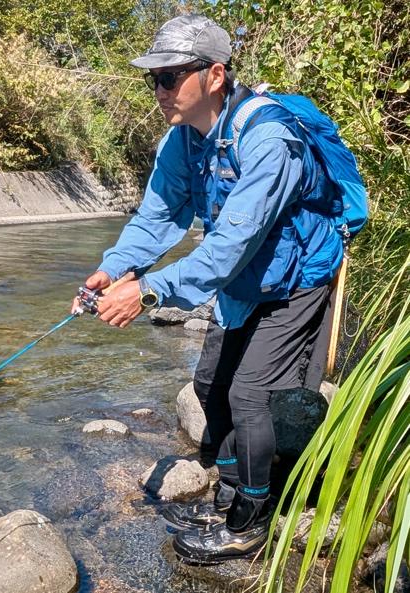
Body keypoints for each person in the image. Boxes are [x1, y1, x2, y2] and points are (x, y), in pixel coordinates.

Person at [73, 14, 343, 564]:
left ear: (215, 75)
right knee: (209, 384)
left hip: (298, 278)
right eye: (153, 78)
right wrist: (115, 268)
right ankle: (227, 498)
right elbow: (157, 217)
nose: (159, 90)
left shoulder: (270, 141)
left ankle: (249, 523)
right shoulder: (181, 141)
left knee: (249, 396)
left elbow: (226, 249)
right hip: (245, 276)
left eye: (169, 77)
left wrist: (147, 292)